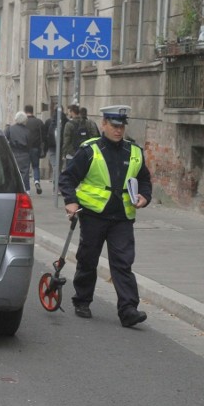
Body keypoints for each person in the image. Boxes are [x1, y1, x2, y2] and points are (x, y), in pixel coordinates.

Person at [58, 105, 153, 327]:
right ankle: (82, 300)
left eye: (122, 126)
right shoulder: (90, 150)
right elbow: (67, 178)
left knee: (122, 263)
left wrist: (144, 197)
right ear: (104, 124)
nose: (118, 130)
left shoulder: (134, 152)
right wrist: (71, 201)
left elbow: (145, 180)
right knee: (88, 259)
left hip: (122, 217)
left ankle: (128, 309)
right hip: (93, 215)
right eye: (114, 125)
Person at [5, 111, 32, 193]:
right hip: (24, 154)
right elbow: (30, 144)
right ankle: (25, 189)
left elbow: (5, 139)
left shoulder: (10, 129)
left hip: (13, 153)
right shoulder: (27, 131)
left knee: (12, 172)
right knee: (24, 173)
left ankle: (13, 188)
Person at [44, 103, 68, 192]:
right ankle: (58, 186)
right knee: (58, 167)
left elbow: (45, 136)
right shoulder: (67, 121)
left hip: (52, 148)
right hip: (62, 148)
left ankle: (57, 187)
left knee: (55, 167)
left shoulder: (49, 121)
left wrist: (45, 148)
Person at [24, 105, 44, 194]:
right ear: (33, 111)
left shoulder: (24, 122)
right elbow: (43, 136)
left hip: (25, 149)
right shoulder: (38, 122)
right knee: (36, 166)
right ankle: (37, 181)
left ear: (25, 112)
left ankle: (27, 189)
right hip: (35, 148)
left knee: (26, 169)